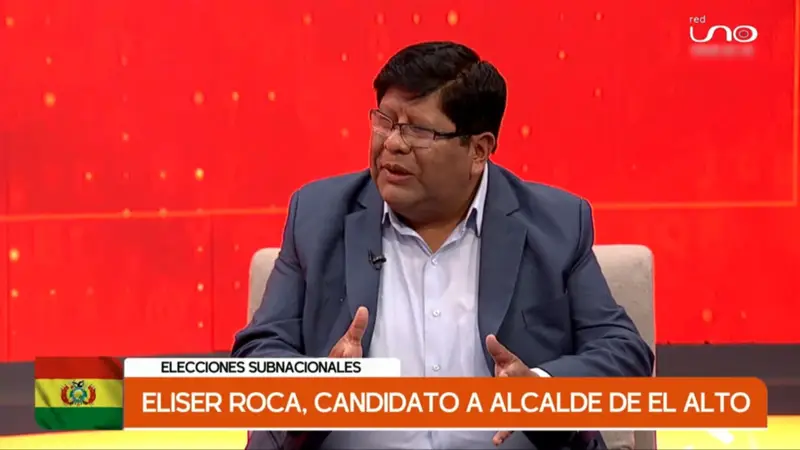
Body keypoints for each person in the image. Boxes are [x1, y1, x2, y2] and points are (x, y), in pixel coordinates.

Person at [232, 41, 654, 450]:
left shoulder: (556, 223)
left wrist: (539, 391)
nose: (392, 143)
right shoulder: (317, 215)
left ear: (478, 149)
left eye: (417, 130)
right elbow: (258, 352)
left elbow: (622, 352)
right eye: (385, 121)